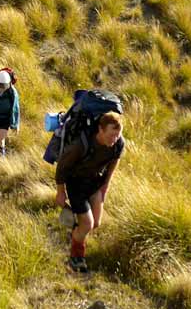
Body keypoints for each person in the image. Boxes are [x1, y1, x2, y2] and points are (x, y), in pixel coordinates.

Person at [55, 111, 125, 273]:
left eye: (117, 136)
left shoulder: (118, 143)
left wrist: (105, 186)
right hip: (76, 184)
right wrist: (60, 192)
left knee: (96, 223)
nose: (114, 140)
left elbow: (115, 161)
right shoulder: (81, 144)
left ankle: (75, 232)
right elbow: (62, 167)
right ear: (100, 130)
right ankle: (76, 258)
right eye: (111, 135)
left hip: (95, 184)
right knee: (87, 224)